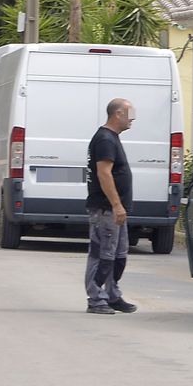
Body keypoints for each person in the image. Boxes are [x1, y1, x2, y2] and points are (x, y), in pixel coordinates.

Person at [85, 98, 138, 314]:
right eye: (129, 113)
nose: (133, 118)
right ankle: (96, 298)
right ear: (117, 114)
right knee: (103, 255)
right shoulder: (105, 139)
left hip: (115, 210)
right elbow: (104, 174)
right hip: (106, 209)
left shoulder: (111, 138)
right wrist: (116, 205)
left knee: (118, 255)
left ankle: (112, 294)